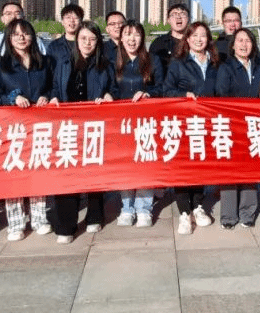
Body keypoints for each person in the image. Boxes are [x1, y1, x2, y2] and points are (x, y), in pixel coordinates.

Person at [49, 20, 117, 241]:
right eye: (83, 38)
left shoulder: (105, 65)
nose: (87, 43)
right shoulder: (63, 63)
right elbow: (54, 87)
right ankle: (66, 226)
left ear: (98, 42)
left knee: (94, 170)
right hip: (67, 126)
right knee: (66, 173)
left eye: (92, 39)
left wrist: (109, 96)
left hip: (93, 126)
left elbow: (113, 89)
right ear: (76, 40)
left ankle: (95, 216)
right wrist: (53, 97)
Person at [0, 18, 55, 242]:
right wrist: (13, 98)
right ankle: (16, 223)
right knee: (15, 171)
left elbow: (53, 86)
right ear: (9, 38)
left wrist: (47, 96)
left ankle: (39, 218)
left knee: (38, 169)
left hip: (39, 126)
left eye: (25, 33)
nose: (21, 37)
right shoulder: (1, 65)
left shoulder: (44, 62)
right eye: (16, 34)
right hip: (13, 128)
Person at [163, 21, 220, 235]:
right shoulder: (178, 63)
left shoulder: (215, 63)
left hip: (207, 123)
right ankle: (184, 212)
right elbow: (166, 91)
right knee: (182, 167)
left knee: (200, 165)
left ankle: (198, 206)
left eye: (203, 35)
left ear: (208, 39)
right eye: (194, 35)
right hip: (184, 122)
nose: (198, 39)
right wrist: (183, 95)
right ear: (187, 39)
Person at [114, 20, 164, 227]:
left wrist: (148, 93)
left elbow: (162, 87)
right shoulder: (113, 61)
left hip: (146, 121)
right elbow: (109, 87)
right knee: (125, 165)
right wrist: (107, 95)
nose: (132, 39)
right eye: (127, 34)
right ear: (121, 38)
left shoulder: (153, 60)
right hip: (122, 122)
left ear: (142, 38)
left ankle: (144, 208)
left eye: (136, 34)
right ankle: (127, 207)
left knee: (145, 163)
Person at [215, 27, 260, 229]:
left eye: (248, 41)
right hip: (231, 125)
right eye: (240, 40)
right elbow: (221, 95)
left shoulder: (258, 67)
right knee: (230, 170)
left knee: (250, 170)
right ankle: (228, 216)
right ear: (233, 46)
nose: (244, 44)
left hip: (253, 126)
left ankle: (247, 212)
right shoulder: (226, 68)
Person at [149, 2, 190, 71]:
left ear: (188, 19)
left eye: (183, 14)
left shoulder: (195, 43)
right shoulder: (158, 43)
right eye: (174, 14)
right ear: (168, 20)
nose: (178, 17)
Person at [49, 3, 85, 71]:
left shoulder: (86, 44)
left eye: (76, 18)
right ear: (62, 22)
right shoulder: (54, 46)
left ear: (81, 22)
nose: (72, 21)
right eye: (68, 17)